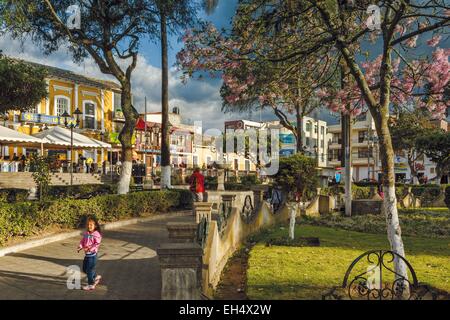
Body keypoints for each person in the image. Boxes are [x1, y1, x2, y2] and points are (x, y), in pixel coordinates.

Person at [77, 216, 102, 291]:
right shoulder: (87, 233)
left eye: (91, 225)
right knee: (85, 269)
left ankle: (91, 284)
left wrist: (89, 248)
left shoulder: (96, 234)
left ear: (95, 226)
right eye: (88, 225)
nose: (89, 226)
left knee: (89, 270)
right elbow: (82, 240)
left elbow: (97, 244)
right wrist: (80, 246)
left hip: (92, 256)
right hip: (87, 255)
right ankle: (95, 276)